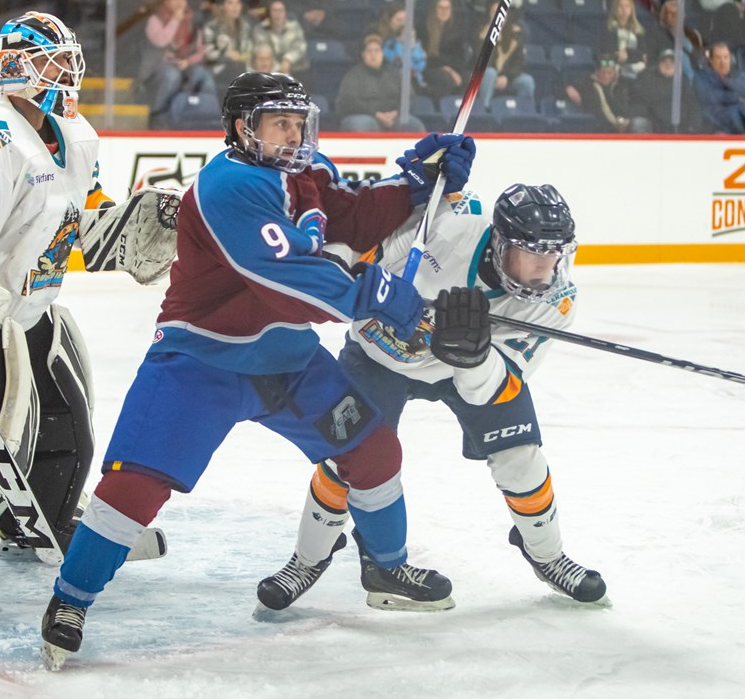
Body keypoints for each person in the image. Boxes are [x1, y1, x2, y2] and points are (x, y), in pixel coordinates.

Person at [38, 72, 477, 668]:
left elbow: (352, 217)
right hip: (200, 361)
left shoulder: (305, 171)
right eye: (280, 123)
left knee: (374, 452)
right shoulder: (228, 185)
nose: (295, 134)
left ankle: (388, 568)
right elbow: (285, 275)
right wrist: (378, 298)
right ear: (244, 127)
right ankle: (71, 599)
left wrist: (416, 185)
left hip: (287, 363)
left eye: (299, 122)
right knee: (133, 486)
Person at [0, 11, 175, 612]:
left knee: (69, 427)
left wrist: (145, 219)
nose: (67, 73)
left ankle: (37, 521)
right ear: (16, 67)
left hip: (36, 306)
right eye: (54, 61)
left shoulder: (75, 133)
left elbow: (91, 221)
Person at [257, 183, 606, 611]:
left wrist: (473, 357)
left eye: (554, 254)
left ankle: (548, 555)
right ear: (499, 242)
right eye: (533, 253)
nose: (545, 268)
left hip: (463, 373)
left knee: (521, 456)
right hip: (378, 357)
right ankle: (307, 559)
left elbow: (490, 391)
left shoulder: (556, 300)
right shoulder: (444, 223)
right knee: (344, 460)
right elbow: (362, 243)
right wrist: (338, 267)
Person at [140, 0, 215, 124]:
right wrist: (175, 20)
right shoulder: (155, 20)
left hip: (186, 64)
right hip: (160, 66)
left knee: (203, 75)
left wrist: (189, 61)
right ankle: (159, 118)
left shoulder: (192, 20)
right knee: (171, 76)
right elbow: (161, 41)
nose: (179, 2)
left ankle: (208, 120)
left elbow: (200, 51)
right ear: (167, 1)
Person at [337, 34, 426, 132]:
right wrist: (376, 114)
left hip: (394, 116)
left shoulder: (395, 73)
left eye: (377, 50)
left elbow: (409, 96)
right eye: (369, 51)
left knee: (415, 126)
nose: (373, 54)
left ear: (382, 54)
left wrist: (396, 112)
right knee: (365, 124)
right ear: (363, 55)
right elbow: (349, 101)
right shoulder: (354, 75)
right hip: (365, 116)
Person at [564, 55, 649, 133]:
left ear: (615, 72)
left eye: (610, 73)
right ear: (597, 72)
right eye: (603, 72)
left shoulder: (626, 83)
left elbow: (640, 103)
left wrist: (627, 119)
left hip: (627, 122)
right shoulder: (587, 84)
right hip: (603, 126)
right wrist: (568, 90)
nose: (606, 76)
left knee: (640, 123)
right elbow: (558, 89)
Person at [475, 0, 534, 111]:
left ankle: (523, 111)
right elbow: (482, 61)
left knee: (527, 81)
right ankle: (485, 108)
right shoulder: (482, 33)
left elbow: (519, 62)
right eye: (494, 12)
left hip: (507, 76)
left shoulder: (516, 35)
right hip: (486, 74)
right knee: (490, 73)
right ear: (489, 15)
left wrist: (507, 76)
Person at [694, 42, 745, 134]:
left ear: (731, 59)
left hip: (740, 122)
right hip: (714, 122)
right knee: (733, 111)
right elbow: (708, 96)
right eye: (718, 58)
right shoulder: (702, 76)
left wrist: (729, 81)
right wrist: (736, 98)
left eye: (726, 57)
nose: (723, 61)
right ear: (711, 60)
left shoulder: (736, 73)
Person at [631, 47, 701, 133]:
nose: (668, 65)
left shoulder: (683, 80)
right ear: (659, 64)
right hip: (653, 123)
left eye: (672, 62)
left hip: (679, 125)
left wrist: (693, 124)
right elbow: (637, 101)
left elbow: (693, 103)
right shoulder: (647, 77)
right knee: (639, 123)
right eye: (664, 62)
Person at [420, 0, 468, 98]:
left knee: (472, 79)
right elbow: (424, 57)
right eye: (440, 7)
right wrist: (447, 69)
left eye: (447, 8)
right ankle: (440, 109)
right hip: (429, 67)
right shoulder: (425, 28)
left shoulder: (457, 29)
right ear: (434, 9)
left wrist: (452, 70)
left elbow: (460, 57)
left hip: (452, 67)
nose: (444, 11)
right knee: (445, 78)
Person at [202, 0, 257, 82]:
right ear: (222, 6)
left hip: (243, 68)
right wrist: (227, 56)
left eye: (238, 3)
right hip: (219, 69)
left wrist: (246, 57)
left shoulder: (245, 26)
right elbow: (207, 53)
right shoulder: (212, 26)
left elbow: (250, 49)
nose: (235, 7)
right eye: (230, 3)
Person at [252, 0, 309, 75]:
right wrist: (279, 68)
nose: (277, 14)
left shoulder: (295, 27)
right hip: (270, 71)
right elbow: (263, 52)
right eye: (274, 11)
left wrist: (287, 60)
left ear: (285, 13)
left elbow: (300, 47)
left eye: (280, 11)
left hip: (296, 70)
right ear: (269, 13)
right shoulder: (260, 29)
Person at [600, 0, 646, 80]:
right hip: (614, 68)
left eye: (627, 6)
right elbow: (606, 52)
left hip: (637, 69)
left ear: (631, 9)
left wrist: (628, 55)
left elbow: (643, 54)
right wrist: (618, 57)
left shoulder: (639, 30)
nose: (624, 10)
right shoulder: (607, 29)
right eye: (620, 6)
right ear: (615, 9)